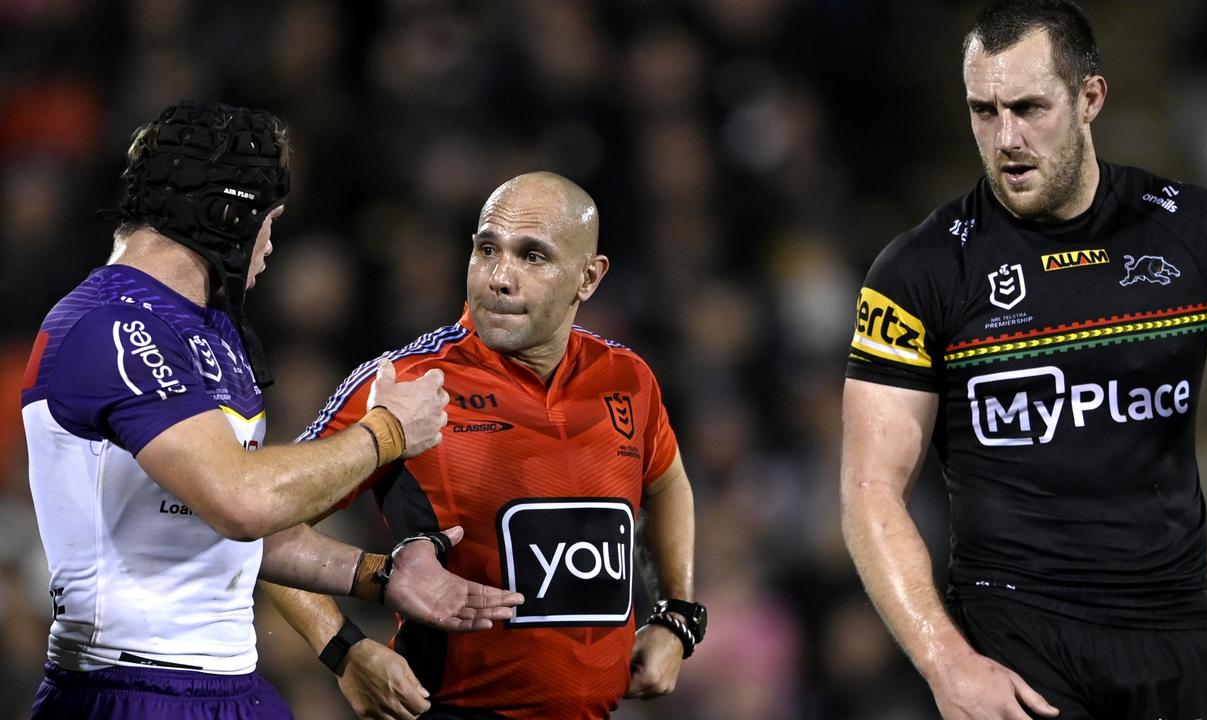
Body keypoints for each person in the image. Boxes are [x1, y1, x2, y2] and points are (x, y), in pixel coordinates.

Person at [840, 1, 1207, 718]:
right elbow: (868, 489)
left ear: (1090, 98)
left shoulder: (1201, 230)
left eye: (1027, 107)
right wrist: (945, 662)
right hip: (1015, 647)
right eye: (983, 111)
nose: (1005, 138)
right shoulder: (918, 273)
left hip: (1176, 638)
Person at [20, 100, 522, 719]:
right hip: (130, 691)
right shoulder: (109, 326)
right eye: (268, 220)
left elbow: (248, 526)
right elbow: (240, 501)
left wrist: (379, 576)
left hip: (231, 684)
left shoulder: (207, 327)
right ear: (228, 213)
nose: (270, 243)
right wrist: (388, 432)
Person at [264, 171, 706, 720]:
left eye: (533, 257)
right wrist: (344, 649)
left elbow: (667, 483)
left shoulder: (627, 379)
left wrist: (673, 616)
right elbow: (264, 520)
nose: (499, 277)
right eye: (486, 249)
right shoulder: (408, 383)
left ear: (588, 278)